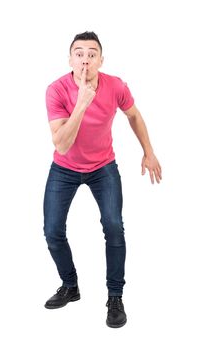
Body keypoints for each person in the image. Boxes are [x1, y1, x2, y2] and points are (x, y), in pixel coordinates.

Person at [43, 31, 162, 328]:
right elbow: (61, 144)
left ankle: (115, 297)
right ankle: (70, 286)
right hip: (65, 168)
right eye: (79, 53)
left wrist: (148, 151)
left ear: (100, 60)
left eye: (92, 54)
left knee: (113, 227)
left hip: (102, 167)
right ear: (70, 58)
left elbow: (133, 115)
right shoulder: (56, 90)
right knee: (52, 230)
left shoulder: (115, 86)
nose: (85, 59)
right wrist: (81, 103)